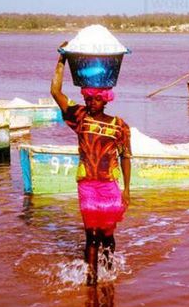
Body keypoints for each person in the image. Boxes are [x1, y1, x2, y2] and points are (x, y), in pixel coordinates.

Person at [51, 42, 131, 285]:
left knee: (107, 235)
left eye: (96, 99)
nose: (91, 102)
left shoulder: (119, 125)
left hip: (109, 186)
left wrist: (127, 189)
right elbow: (56, 92)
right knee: (91, 236)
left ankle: (109, 273)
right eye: (88, 98)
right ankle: (92, 282)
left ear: (105, 100)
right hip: (87, 184)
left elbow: (125, 156)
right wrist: (62, 59)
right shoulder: (80, 118)